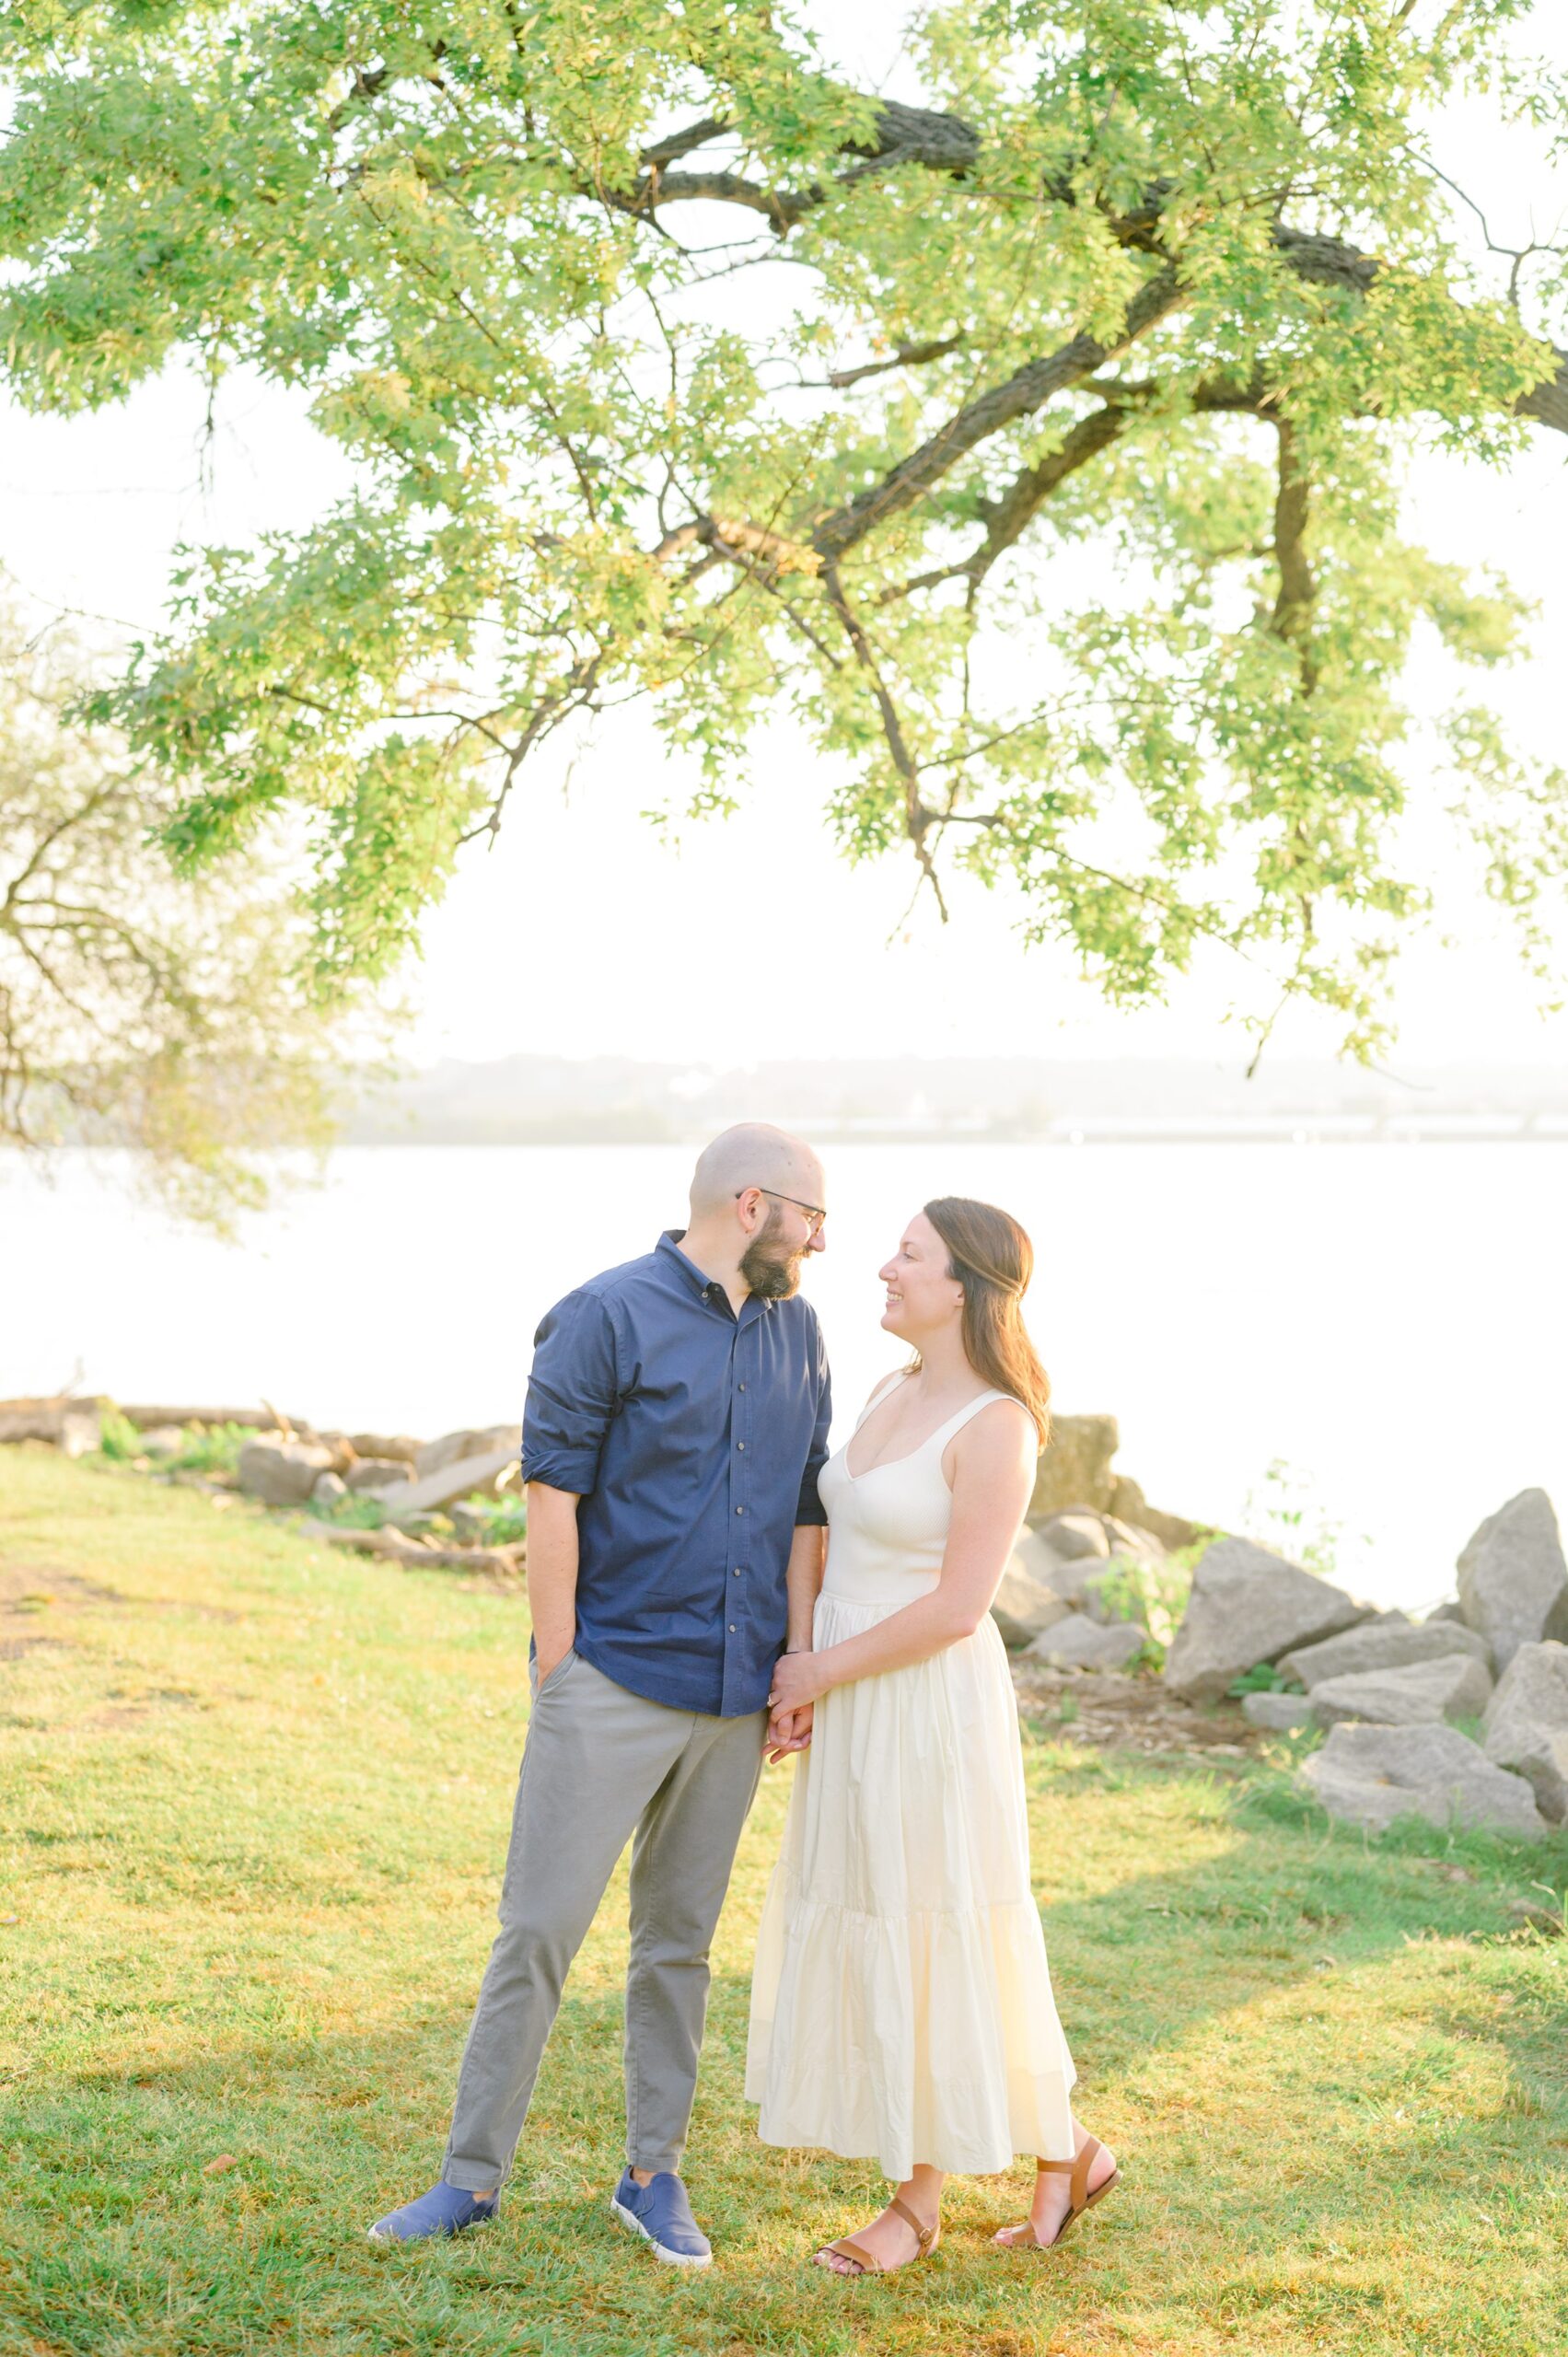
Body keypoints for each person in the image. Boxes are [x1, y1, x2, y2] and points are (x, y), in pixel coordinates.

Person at [370, 1124, 832, 2267]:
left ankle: (649, 2175)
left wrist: (798, 1660)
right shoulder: (604, 1314)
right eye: (813, 1216)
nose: (822, 1241)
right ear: (751, 1202)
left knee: (677, 1946)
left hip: (733, 1696)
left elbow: (806, 1509)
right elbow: (552, 1491)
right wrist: (558, 1658)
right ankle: (468, 2181)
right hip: (611, 1680)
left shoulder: (803, 1331)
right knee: (536, 1932)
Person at [749, 1196, 1119, 2274]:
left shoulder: (996, 1423)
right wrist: (802, 1659)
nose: (882, 1267)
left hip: (926, 1705)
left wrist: (818, 1665)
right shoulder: (885, 1390)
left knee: (929, 1924)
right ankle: (1067, 2148)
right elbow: (821, 1530)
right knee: (872, 1912)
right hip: (851, 1689)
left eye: (907, 1255)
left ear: (963, 1284)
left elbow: (960, 1605)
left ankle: (914, 2203)